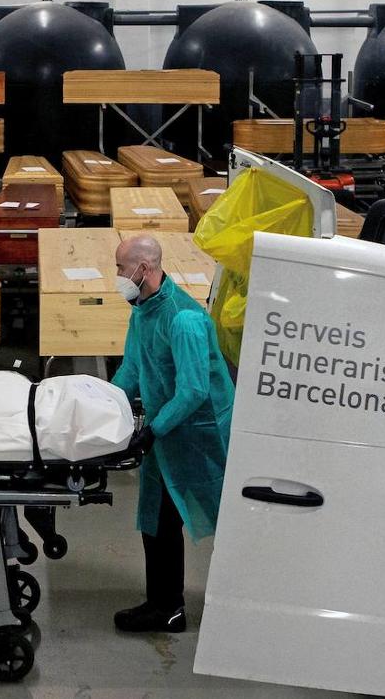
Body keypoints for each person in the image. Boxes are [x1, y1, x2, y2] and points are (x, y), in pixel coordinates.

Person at [110, 234, 234, 634]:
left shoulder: (184, 320)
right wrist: (102, 405)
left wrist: (153, 430)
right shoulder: (143, 311)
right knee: (156, 516)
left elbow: (195, 390)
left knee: (225, 520)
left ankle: (178, 605)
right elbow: (132, 368)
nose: (117, 277)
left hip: (200, 436)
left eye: (120, 269)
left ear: (143, 269)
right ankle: (164, 605)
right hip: (168, 428)